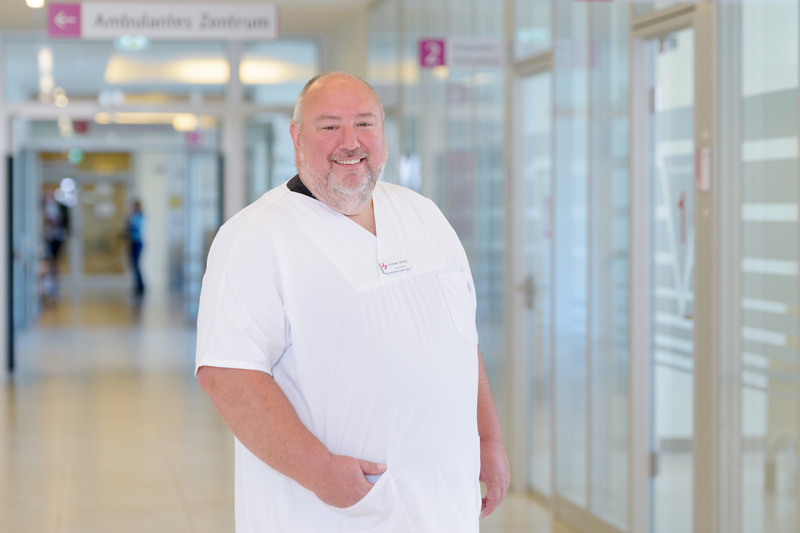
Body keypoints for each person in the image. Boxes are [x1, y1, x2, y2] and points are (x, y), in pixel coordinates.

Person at [195, 72, 510, 532]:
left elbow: (462, 341)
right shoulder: (255, 237)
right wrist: (319, 471)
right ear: (297, 136)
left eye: (365, 124)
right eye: (329, 127)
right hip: (331, 512)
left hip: (444, 509)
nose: (351, 142)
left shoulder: (425, 217)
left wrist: (490, 438)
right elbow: (226, 375)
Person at [127, 200, 145, 297]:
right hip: (132, 242)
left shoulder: (140, 217)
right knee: (133, 265)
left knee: (136, 264)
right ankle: (137, 285)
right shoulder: (133, 216)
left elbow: (136, 228)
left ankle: (140, 287)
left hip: (138, 242)